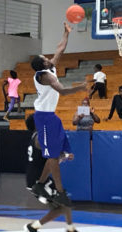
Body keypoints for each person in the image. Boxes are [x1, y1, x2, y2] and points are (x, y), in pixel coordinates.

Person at [30, 22, 87, 206]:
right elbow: (62, 91)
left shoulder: (50, 67)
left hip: (51, 116)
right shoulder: (44, 75)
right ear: (42, 64)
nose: (48, 57)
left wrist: (66, 33)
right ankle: (60, 193)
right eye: (44, 57)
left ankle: (40, 184)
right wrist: (79, 87)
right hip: (43, 117)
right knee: (53, 155)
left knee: (61, 152)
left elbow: (60, 49)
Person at [24, 114, 86, 232]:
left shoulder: (36, 137)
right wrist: (64, 154)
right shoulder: (39, 138)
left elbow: (52, 159)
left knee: (64, 201)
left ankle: (70, 229)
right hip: (38, 181)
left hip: (40, 178)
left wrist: (63, 155)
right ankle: (34, 226)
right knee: (62, 205)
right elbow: (53, 155)